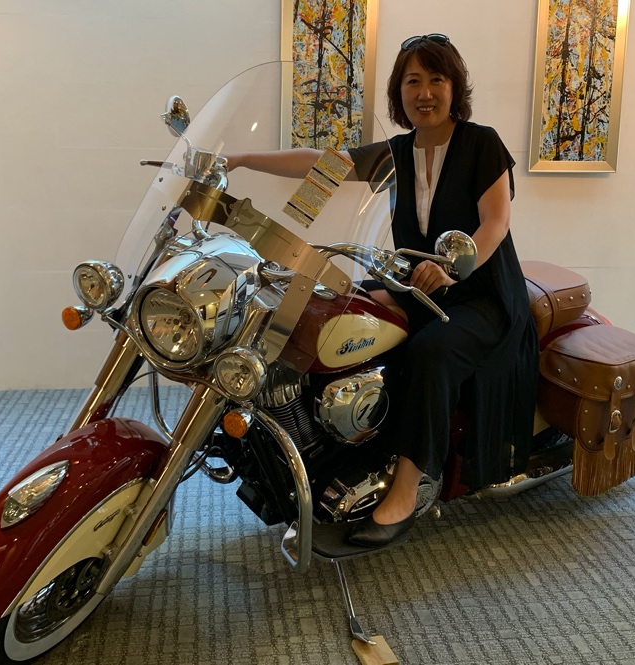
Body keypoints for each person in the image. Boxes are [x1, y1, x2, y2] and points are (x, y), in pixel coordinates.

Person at [227, 34, 538, 547]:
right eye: (413, 80)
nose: (424, 92)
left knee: (429, 352)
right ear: (399, 91)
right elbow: (319, 163)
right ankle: (339, 442)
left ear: (454, 87)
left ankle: (408, 490)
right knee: (337, 309)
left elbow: (495, 224)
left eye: (436, 79)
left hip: (482, 294)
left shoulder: (482, 143)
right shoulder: (396, 153)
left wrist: (453, 269)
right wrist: (239, 160)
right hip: (419, 286)